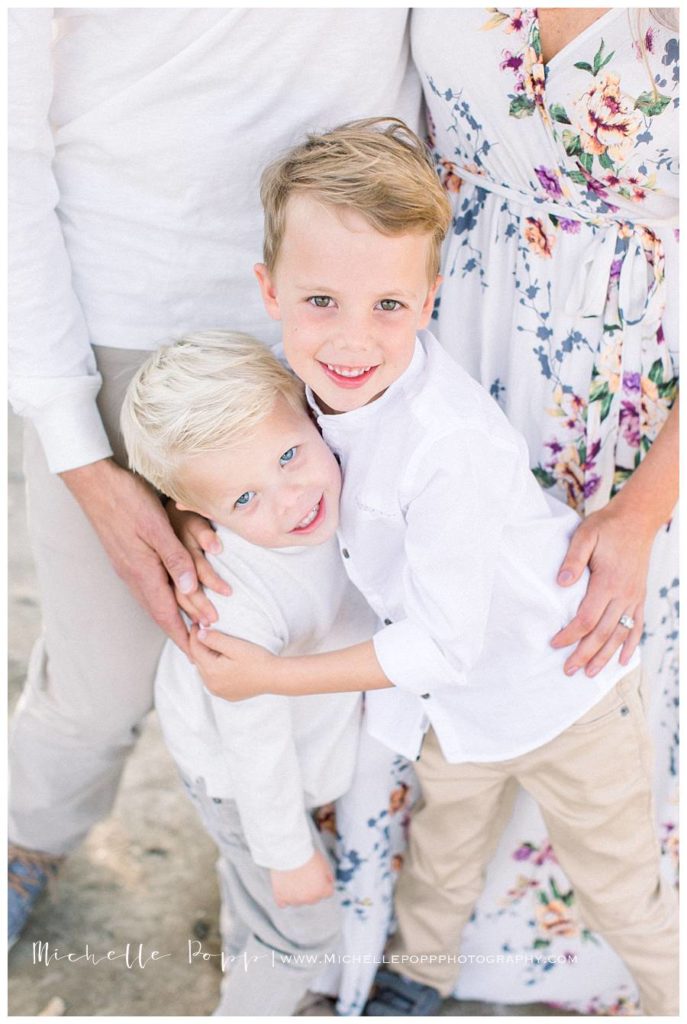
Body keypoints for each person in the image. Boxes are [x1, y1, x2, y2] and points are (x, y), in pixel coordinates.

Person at [187, 118, 679, 1017]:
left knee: (618, 884)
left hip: (560, 684)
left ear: (430, 299)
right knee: (442, 847)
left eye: (387, 306)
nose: (350, 338)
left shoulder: (441, 445)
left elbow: (443, 645)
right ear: (268, 289)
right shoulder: (305, 389)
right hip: (457, 704)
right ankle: (418, 983)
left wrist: (274, 676)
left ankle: (673, 991)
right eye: (320, 301)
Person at [7, 8, 419, 949]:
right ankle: (30, 838)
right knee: (101, 678)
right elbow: (8, 147)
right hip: (128, 313)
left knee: (342, 646)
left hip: (343, 317)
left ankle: (291, 904)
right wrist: (78, 449)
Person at [409, 7, 679, 1012]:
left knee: (593, 661)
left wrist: (647, 506)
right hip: (446, 352)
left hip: (639, 416)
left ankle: (609, 961)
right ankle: (412, 951)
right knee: (446, 641)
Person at [118, 330, 375, 1015]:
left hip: (290, 752)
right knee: (304, 930)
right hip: (240, 780)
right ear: (199, 516)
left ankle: (248, 953)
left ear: (309, 411)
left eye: (289, 455)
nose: (289, 500)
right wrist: (288, 853)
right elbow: (253, 746)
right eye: (244, 500)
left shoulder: (342, 489)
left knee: (256, 895)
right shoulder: (232, 603)